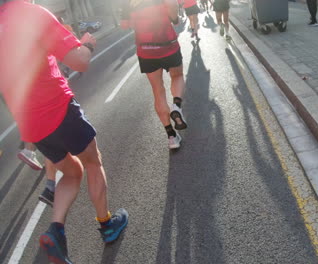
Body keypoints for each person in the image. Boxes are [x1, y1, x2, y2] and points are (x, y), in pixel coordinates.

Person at [0, 1, 128, 263]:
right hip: (58, 109)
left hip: (31, 125)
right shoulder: (31, 14)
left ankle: (55, 231)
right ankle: (107, 225)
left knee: (71, 172)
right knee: (93, 162)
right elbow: (79, 62)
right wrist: (87, 43)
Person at [121, 0, 187, 149]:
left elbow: (124, 24)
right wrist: (174, 19)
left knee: (158, 90)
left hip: (146, 50)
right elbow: (172, 4)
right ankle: (176, 107)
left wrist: (139, 22)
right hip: (167, 44)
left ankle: (171, 136)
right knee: (177, 76)